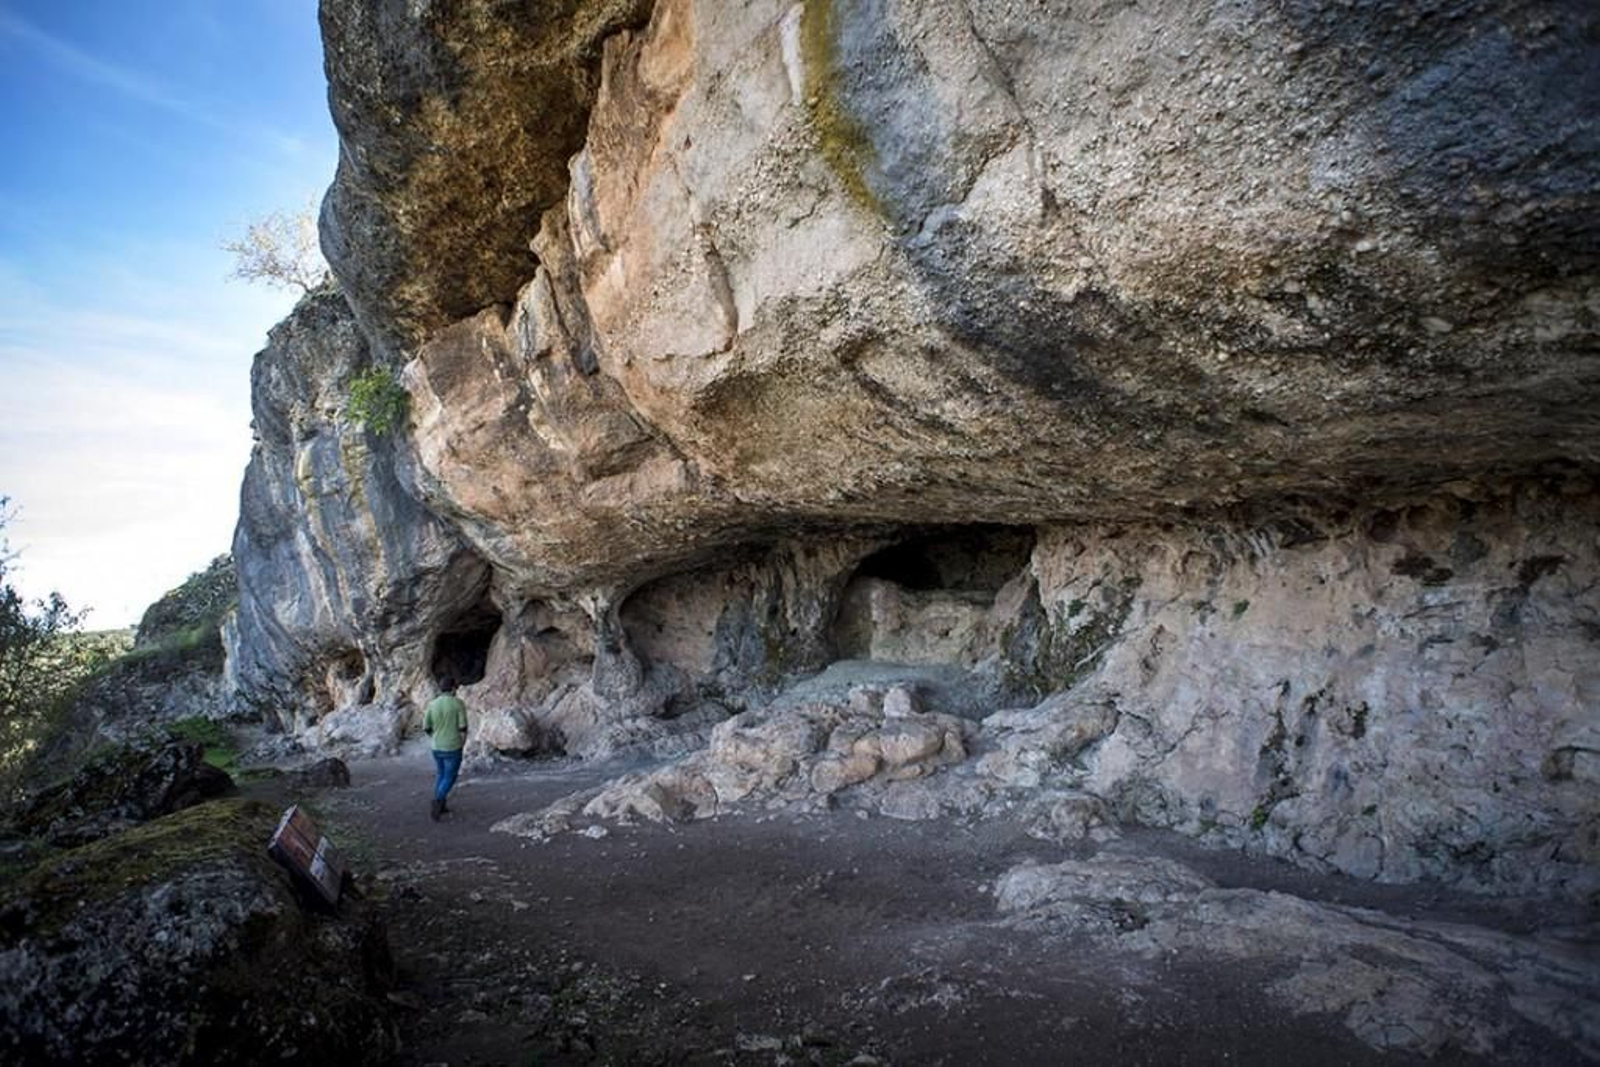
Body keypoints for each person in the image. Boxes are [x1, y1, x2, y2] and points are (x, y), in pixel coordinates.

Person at [423, 686, 468, 821]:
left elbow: (426, 727)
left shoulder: (432, 704)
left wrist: (435, 737)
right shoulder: (458, 703)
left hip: (436, 746)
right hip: (453, 745)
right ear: (453, 688)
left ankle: (441, 805)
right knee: (450, 776)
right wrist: (462, 742)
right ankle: (438, 801)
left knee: (441, 774)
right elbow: (463, 727)